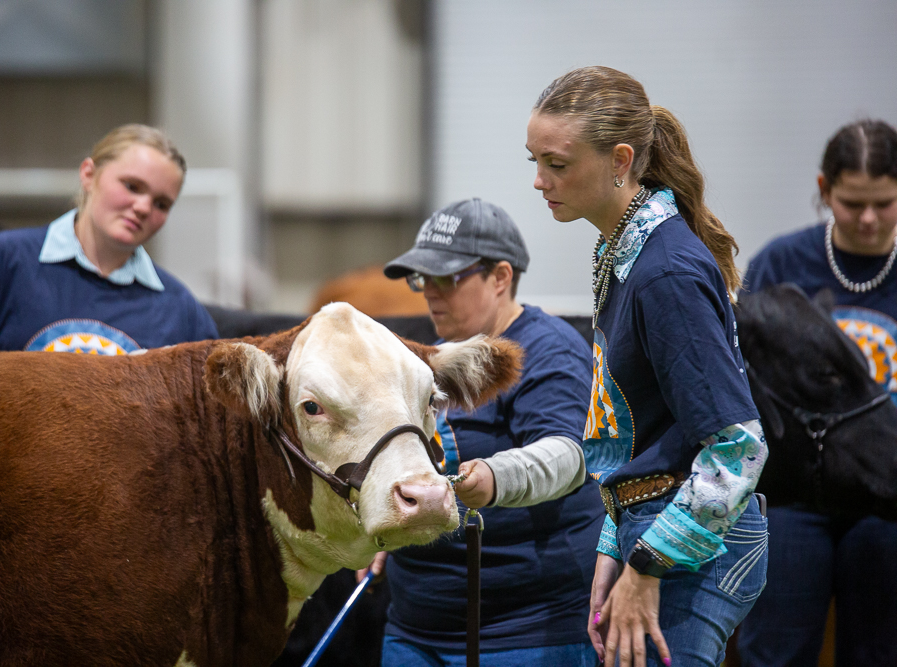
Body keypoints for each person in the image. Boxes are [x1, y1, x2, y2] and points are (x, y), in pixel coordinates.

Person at [527, 66, 769, 667]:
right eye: (535, 161)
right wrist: (615, 544)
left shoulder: (666, 272)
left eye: (557, 164)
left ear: (621, 160)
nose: (539, 180)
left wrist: (648, 565)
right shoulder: (626, 253)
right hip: (653, 531)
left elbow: (738, 448)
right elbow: (644, 431)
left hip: (690, 548)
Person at [366, 197, 603, 666]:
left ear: (500, 277)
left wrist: (496, 477)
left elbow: (569, 455)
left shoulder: (546, 350)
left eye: (447, 278)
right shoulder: (433, 360)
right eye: (422, 278)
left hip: (523, 636)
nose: (430, 293)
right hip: (413, 631)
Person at [736, 119, 897, 666]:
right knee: (775, 653)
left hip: (886, 492)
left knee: (879, 653)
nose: (869, 218)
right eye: (853, 203)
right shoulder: (781, 263)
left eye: (884, 203)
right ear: (825, 190)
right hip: (793, 499)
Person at [0, 124, 217, 353]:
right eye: (132, 186)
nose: (143, 207)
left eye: (161, 204)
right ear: (88, 175)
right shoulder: (1, 263)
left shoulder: (180, 312)